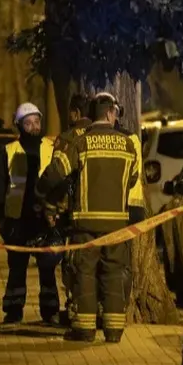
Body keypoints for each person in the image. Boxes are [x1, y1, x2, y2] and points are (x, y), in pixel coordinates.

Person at [35, 93, 142, 343]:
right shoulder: (127, 144)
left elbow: (56, 172)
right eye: (115, 112)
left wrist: (41, 194)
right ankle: (114, 331)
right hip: (117, 223)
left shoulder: (81, 143)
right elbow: (134, 178)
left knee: (85, 272)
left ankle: (85, 329)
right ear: (108, 113)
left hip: (85, 223)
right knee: (114, 273)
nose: (116, 117)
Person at [0, 102, 62, 324]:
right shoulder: (9, 151)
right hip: (18, 221)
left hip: (46, 220)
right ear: (19, 126)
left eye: (36, 122)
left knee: (48, 269)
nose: (33, 127)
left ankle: (50, 311)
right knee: (17, 270)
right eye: (28, 123)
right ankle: (13, 310)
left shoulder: (52, 148)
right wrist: (1, 221)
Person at [47, 93, 94, 326]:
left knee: (74, 262)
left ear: (75, 113)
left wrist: (46, 203)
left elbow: (56, 177)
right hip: (105, 212)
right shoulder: (101, 137)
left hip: (73, 211)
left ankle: (75, 309)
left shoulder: (67, 139)